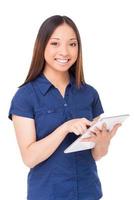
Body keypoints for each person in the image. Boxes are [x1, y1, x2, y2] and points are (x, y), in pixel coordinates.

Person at [8, 15, 121, 200]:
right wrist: (65, 128)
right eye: (55, 43)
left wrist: (103, 141)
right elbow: (29, 158)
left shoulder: (89, 93)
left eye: (72, 44)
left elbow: (96, 155)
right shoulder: (25, 96)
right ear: (41, 45)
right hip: (47, 195)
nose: (65, 51)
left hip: (89, 193)